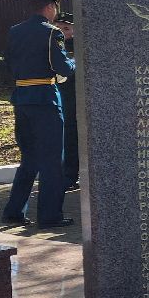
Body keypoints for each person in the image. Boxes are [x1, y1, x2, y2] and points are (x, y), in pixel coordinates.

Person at [1, 0, 75, 228]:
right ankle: (50, 215)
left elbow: (9, 64)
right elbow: (62, 67)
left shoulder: (14, 31)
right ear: (50, 6)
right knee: (54, 161)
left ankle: (14, 211)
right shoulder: (52, 33)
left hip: (21, 98)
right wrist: (75, 63)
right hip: (45, 99)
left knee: (29, 159)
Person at [57, 13, 80, 190]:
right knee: (68, 137)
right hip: (63, 97)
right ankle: (68, 175)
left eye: (66, 28)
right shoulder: (53, 46)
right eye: (58, 28)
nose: (62, 32)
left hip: (77, 97)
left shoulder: (80, 46)